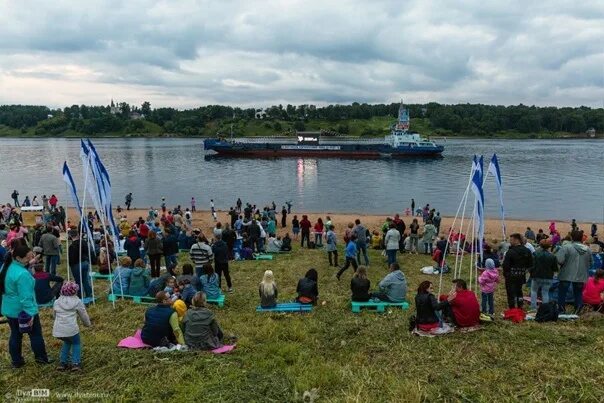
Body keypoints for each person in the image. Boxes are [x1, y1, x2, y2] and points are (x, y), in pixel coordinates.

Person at [0, 244, 51, 367]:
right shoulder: (23, 274)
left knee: (15, 335)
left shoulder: (6, 267)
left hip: (10, 308)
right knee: (35, 335)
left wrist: (30, 262)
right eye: (28, 258)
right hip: (23, 310)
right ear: (18, 257)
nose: (30, 260)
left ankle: (16, 361)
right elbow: (26, 297)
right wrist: (31, 313)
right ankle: (41, 359)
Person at [53, 281, 91, 371]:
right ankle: (76, 363)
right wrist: (87, 324)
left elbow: (54, 315)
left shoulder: (57, 302)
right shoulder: (77, 301)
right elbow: (83, 315)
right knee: (76, 343)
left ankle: (62, 363)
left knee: (67, 342)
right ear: (75, 291)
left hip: (58, 330)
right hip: (71, 329)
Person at [556, 230, 592, 313]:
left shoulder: (566, 247)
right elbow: (591, 263)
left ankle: (561, 310)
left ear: (571, 237)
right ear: (581, 238)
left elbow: (560, 260)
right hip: (581, 275)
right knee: (578, 293)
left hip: (566, 274)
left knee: (562, 293)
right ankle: (578, 310)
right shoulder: (588, 249)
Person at [502, 233, 533, 309]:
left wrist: (506, 274)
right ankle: (520, 306)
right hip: (521, 275)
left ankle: (512, 308)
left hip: (511, 276)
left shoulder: (510, 252)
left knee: (510, 293)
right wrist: (525, 271)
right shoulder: (527, 251)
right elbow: (531, 264)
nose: (510, 242)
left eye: (511, 240)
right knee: (519, 292)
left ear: (516, 240)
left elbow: (505, 266)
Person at [529, 239, 558, 310]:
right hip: (548, 277)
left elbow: (531, 265)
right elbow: (555, 268)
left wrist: (531, 273)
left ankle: (533, 307)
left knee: (534, 291)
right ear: (549, 246)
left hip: (536, 276)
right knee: (545, 292)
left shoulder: (535, 254)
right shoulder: (552, 256)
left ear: (540, 245)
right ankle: (545, 308)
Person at [67, 230, 93, 299]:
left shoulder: (72, 246)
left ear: (70, 236)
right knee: (85, 280)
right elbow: (88, 251)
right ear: (77, 234)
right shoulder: (83, 242)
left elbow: (71, 258)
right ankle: (89, 293)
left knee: (78, 281)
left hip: (77, 264)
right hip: (85, 262)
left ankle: (80, 296)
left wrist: (71, 265)